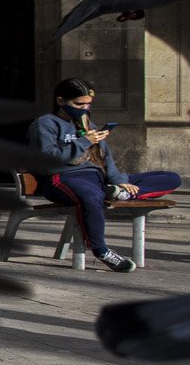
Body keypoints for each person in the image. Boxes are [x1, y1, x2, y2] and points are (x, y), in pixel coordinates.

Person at [29, 77, 180, 273]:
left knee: (170, 177)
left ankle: (121, 192)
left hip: (98, 177)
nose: (84, 108)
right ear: (60, 101)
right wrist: (84, 141)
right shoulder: (46, 124)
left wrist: (118, 180)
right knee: (91, 197)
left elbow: (104, 156)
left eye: (88, 104)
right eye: (79, 104)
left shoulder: (86, 123)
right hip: (64, 177)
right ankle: (101, 250)